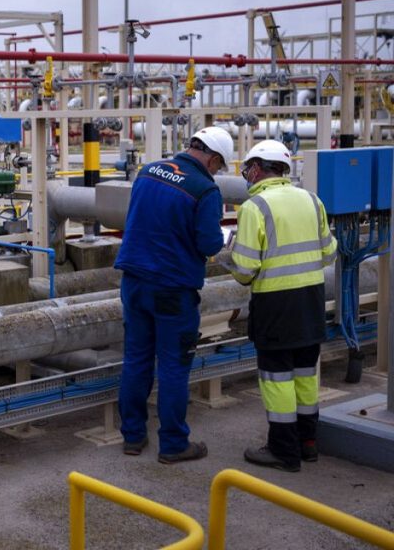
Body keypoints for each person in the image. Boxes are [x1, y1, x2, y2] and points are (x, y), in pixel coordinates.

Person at [114, 126, 233, 463]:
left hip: (134, 280)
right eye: (218, 166)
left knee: (136, 360)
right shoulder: (205, 190)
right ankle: (173, 444)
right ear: (212, 158)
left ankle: (133, 437)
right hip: (173, 289)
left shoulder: (149, 171)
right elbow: (209, 244)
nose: (216, 172)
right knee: (173, 366)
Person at [222, 139, 337, 472]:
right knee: (305, 375)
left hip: (275, 306)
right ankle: (308, 444)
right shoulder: (311, 200)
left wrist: (226, 257)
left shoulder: (255, 208)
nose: (245, 176)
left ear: (257, 168)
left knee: (277, 380)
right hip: (312, 301)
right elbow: (329, 252)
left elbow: (245, 271)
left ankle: (283, 451)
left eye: (247, 169)